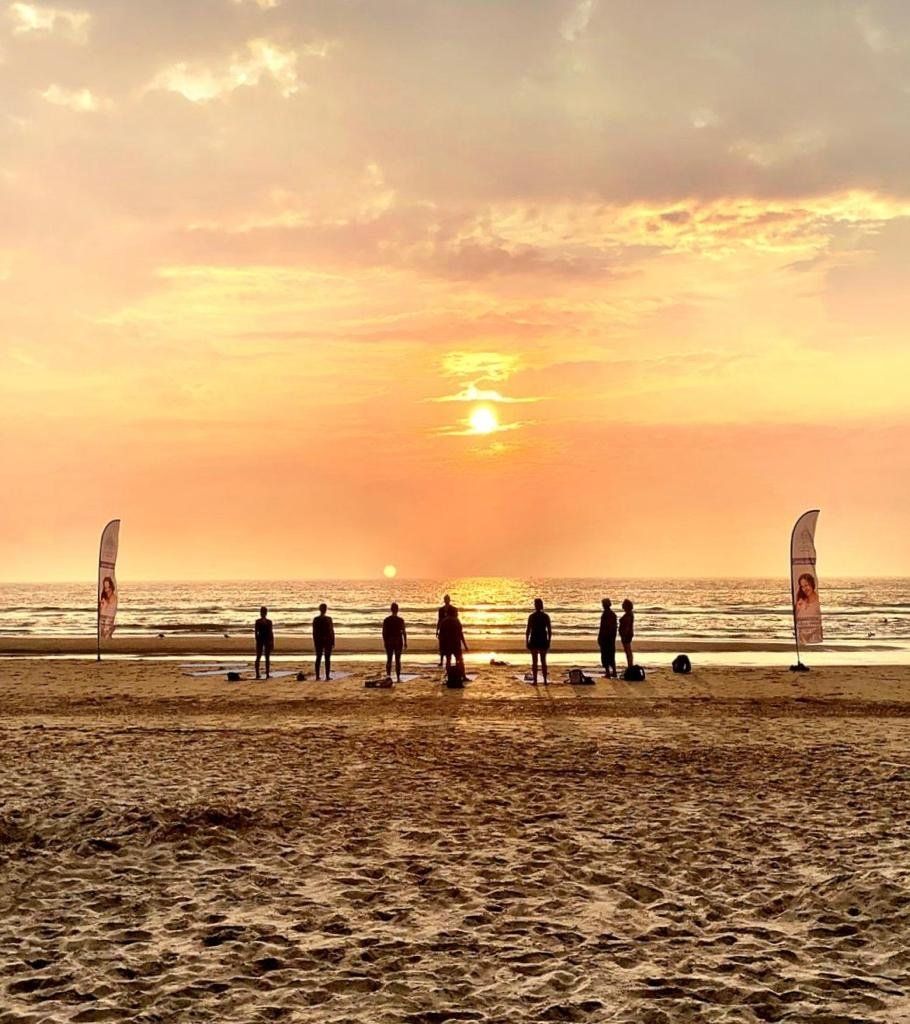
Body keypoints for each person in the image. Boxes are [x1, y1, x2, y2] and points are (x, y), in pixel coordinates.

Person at [525, 597, 552, 685]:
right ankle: (544, 681)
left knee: (535, 661)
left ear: (535, 606)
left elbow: (528, 630)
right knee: (543, 661)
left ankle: (536, 681)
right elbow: (549, 630)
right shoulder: (545, 616)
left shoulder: (532, 616)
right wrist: (549, 641)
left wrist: (527, 641)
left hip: (534, 639)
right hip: (543, 640)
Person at [437, 605, 468, 675]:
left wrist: (441, 647)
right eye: (456, 612)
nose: (457, 614)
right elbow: (461, 634)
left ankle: (448, 674)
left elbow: (441, 636)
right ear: (453, 612)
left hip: (447, 645)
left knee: (448, 660)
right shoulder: (456, 621)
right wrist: (465, 645)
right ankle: (462, 675)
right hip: (456, 644)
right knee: (459, 660)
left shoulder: (444, 621)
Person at [382, 602, 408, 682]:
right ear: (397, 610)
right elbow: (404, 632)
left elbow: (384, 632)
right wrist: (405, 642)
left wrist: (385, 641)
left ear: (391, 609)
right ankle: (398, 678)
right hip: (398, 641)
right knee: (398, 660)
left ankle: (388, 676)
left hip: (389, 641)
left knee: (389, 659)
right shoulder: (400, 620)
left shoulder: (386, 620)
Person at [795, 572, 822, 644]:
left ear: (812, 584)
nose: (804, 589)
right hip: (802, 639)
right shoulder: (801, 602)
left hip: (815, 638)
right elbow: (796, 619)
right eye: (802, 586)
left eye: (806, 585)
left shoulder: (818, 601)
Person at [313, 603, 335, 680]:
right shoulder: (328, 619)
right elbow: (331, 631)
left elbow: (314, 632)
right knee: (327, 658)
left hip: (319, 640)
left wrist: (315, 641)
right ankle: (327, 676)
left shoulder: (316, 619)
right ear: (325, 610)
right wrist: (333, 641)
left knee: (319, 657)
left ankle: (318, 676)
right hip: (327, 640)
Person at [598, 598, 618, 678]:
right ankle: (614, 672)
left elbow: (603, 627)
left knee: (605, 655)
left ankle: (608, 673)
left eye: (603, 604)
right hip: (611, 638)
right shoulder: (613, 614)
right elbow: (615, 627)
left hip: (605, 637)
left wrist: (600, 637)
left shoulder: (605, 614)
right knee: (611, 655)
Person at [436, 594, 457, 667]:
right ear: (444, 600)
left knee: (452, 646)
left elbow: (455, 620)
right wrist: (437, 630)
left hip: (451, 630)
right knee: (442, 646)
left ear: (449, 600)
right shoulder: (441, 610)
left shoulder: (453, 609)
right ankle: (441, 661)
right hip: (443, 630)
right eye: (445, 599)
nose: (446, 600)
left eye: (447, 599)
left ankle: (455, 660)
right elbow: (439, 620)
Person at [255, 606, 274, 680]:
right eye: (262, 612)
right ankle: (258, 674)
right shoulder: (258, 621)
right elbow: (256, 632)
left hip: (266, 640)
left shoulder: (269, 622)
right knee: (259, 656)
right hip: (261, 640)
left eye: (263, 612)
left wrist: (272, 641)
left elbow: (271, 632)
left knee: (266, 657)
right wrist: (257, 640)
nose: (262, 613)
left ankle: (267, 673)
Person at [98, 575, 118, 640]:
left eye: (108, 586)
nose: (107, 589)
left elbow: (112, 601)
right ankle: (106, 635)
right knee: (103, 632)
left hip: (109, 614)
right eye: (105, 586)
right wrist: (102, 604)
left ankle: (109, 634)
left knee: (108, 629)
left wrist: (106, 603)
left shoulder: (113, 596)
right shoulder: (103, 594)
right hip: (103, 613)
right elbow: (102, 605)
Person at [619, 599, 635, 669]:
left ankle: (630, 665)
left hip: (627, 634)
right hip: (627, 634)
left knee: (628, 650)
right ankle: (630, 665)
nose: (622, 605)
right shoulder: (629, 614)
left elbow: (627, 625)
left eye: (623, 604)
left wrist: (624, 634)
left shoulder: (628, 614)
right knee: (628, 650)